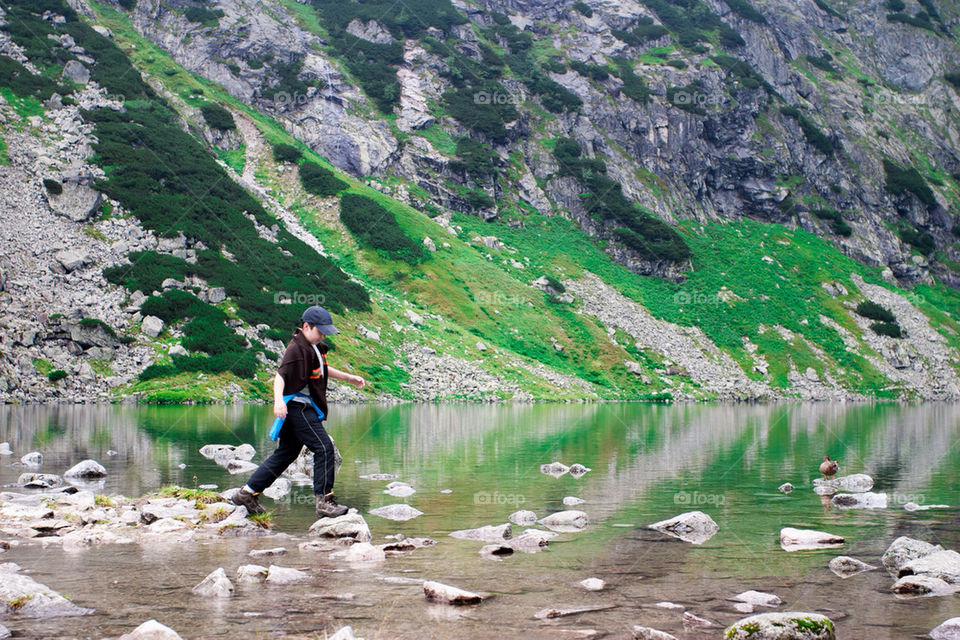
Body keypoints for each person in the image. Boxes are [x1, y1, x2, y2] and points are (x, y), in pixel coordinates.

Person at [232, 305, 366, 518]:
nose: (323, 335)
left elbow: (322, 369)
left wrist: (348, 378)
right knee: (324, 448)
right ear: (306, 326)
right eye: (320, 331)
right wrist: (278, 402)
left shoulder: (312, 347)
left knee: (286, 453)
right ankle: (325, 501)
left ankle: (247, 493)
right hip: (298, 406)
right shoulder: (296, 348)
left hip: (300, 407)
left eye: (325, 332)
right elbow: (280, 375)